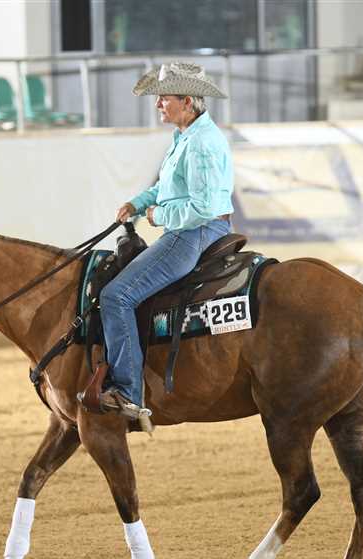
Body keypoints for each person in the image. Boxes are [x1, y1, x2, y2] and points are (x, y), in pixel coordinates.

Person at [96, 62, 234, 427]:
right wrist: (138, 203)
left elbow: (202, 208)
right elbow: (169, 187)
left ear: (187, 101)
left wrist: (158, 216)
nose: (158, 104)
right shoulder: (186, 136)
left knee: (116, 297)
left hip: (193, 233)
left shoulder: (200, 143)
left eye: (164, 98)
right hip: (194, 230)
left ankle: (128, 392)